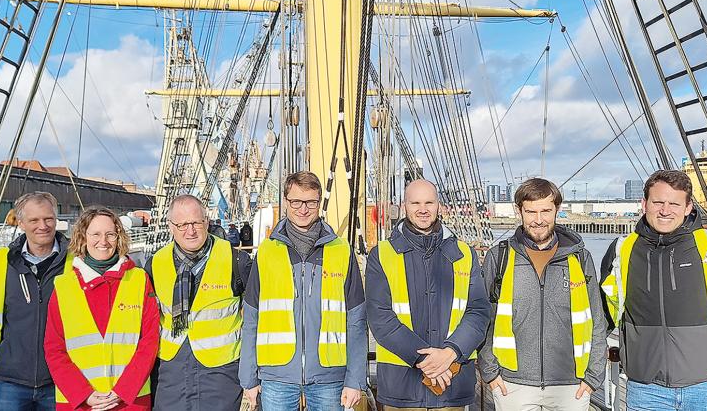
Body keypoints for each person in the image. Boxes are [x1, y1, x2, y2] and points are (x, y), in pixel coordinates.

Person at [601, 170, 707, 411]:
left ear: (688, 208)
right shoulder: (622, 250)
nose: (665, 210)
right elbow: (602, 312)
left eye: (674, 203)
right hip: (646, 390)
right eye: (658, 202)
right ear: (644, 204)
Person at [239, 171, 367, 411]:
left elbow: (356, 321)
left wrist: (356, 379)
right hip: (276, 376)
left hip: (329, 376)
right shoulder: (267, 252)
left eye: (310, 202)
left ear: (319, 202)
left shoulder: (342, 251)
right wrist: (249, 377)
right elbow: (251, 318)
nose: (303, 209)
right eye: (296, 201)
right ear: (286, 202)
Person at [478, 178, 607, 410]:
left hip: (571, 386)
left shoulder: (579, 258)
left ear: (557, 209)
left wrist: (593, 376)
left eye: (546, 211)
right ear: (519, 211)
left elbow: (597, 320)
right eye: (531, 212)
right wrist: (490, 372)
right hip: (512, 384)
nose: (539, 220)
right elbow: (484, 318)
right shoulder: (499, 258)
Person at [366, 179, 491, 410]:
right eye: (415, 203)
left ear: (439, 206)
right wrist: (426, 360)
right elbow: (380, 318)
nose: (422, 209)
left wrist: (451, 352)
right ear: (405, 206)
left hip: (452, 383)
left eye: (429, 202)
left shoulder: (464, 254)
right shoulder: (382, 254)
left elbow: (478, 311)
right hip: (402, 386)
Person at [45, 206, 159, 410]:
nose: (103, 241)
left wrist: (123, 390)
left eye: (110, 234)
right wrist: (83, 394)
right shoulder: (63, 286)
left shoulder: (139, 280)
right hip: (80, 402)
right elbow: (54, 349)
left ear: (119, 237)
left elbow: (149, 341)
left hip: (130, 400)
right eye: (95, 234)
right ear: (83, 237)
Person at [145, 195, 253, 410]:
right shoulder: (155, 264)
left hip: (220, 373)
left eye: (196, 223)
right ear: (171, 226)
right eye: (183, 224)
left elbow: (255, 321)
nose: (190, 231)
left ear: (206, 222)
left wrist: (251, 374)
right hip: (171, 371)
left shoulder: (236, 261)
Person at [0, 192, 70, 410]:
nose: (43, 225)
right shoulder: (3, 261)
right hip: (11, 379)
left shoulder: (75, 261)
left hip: (60, 378)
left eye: (48, 219)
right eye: (34, 220)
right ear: (21, 223)